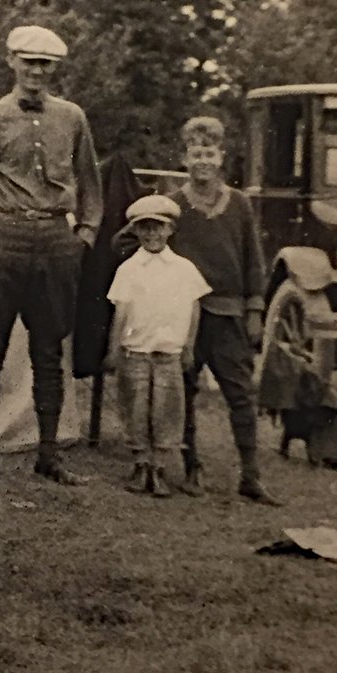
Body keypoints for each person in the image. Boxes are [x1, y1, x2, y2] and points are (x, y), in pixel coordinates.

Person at [0, 25, 102, 485]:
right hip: (4, 242)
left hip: (56, 243)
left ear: (54, 69)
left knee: (50, 351)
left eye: (45, 64)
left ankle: (49, 454)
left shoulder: (72, 118)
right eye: (28, 61)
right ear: (10, 61)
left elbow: (91, 186)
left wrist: (84, 238)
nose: (36, 71)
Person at [167, 116, 282, 505]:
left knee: (241, 394)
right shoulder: (173, 204)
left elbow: (254, 260)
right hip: (186, 317)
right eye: (196, 153)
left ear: (222, 158)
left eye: (210, 153)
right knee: (183, 393)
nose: (203, 161)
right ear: (184, 158)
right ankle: (190, 468)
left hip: (230, 315)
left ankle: (250, 475)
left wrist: (254, 309)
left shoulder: (241, 205)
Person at [105, 195, 209, 497]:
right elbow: (121, 312)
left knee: (167, 409)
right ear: (135, 232)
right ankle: (141, 465)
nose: (152, 234)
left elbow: (194, 309)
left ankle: (160, 467)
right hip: (135, 351)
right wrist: (115, 349)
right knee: (135, 407)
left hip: (169, 352)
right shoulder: (128, 269)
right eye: (145, 228)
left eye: (158, 228)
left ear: (170, 230)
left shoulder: (184, 268)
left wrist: (188, 346)